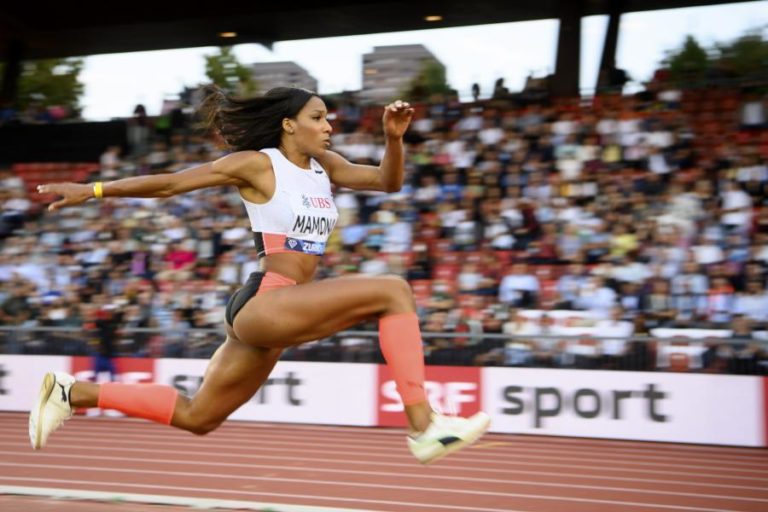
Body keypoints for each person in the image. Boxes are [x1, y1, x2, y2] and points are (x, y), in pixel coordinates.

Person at [29, 86, 490, 464]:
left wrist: (394, 139)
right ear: (289, 123)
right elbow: (171, 183)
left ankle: (73, 393)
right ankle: (424, 425)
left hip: (276, 314)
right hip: (265, 302)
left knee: (199, 417)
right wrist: (92, 189)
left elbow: (387, 183)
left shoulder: (324, 168)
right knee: (393, 290)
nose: (329, 126)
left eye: (329, 119)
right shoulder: (258, 163)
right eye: (319, 117)